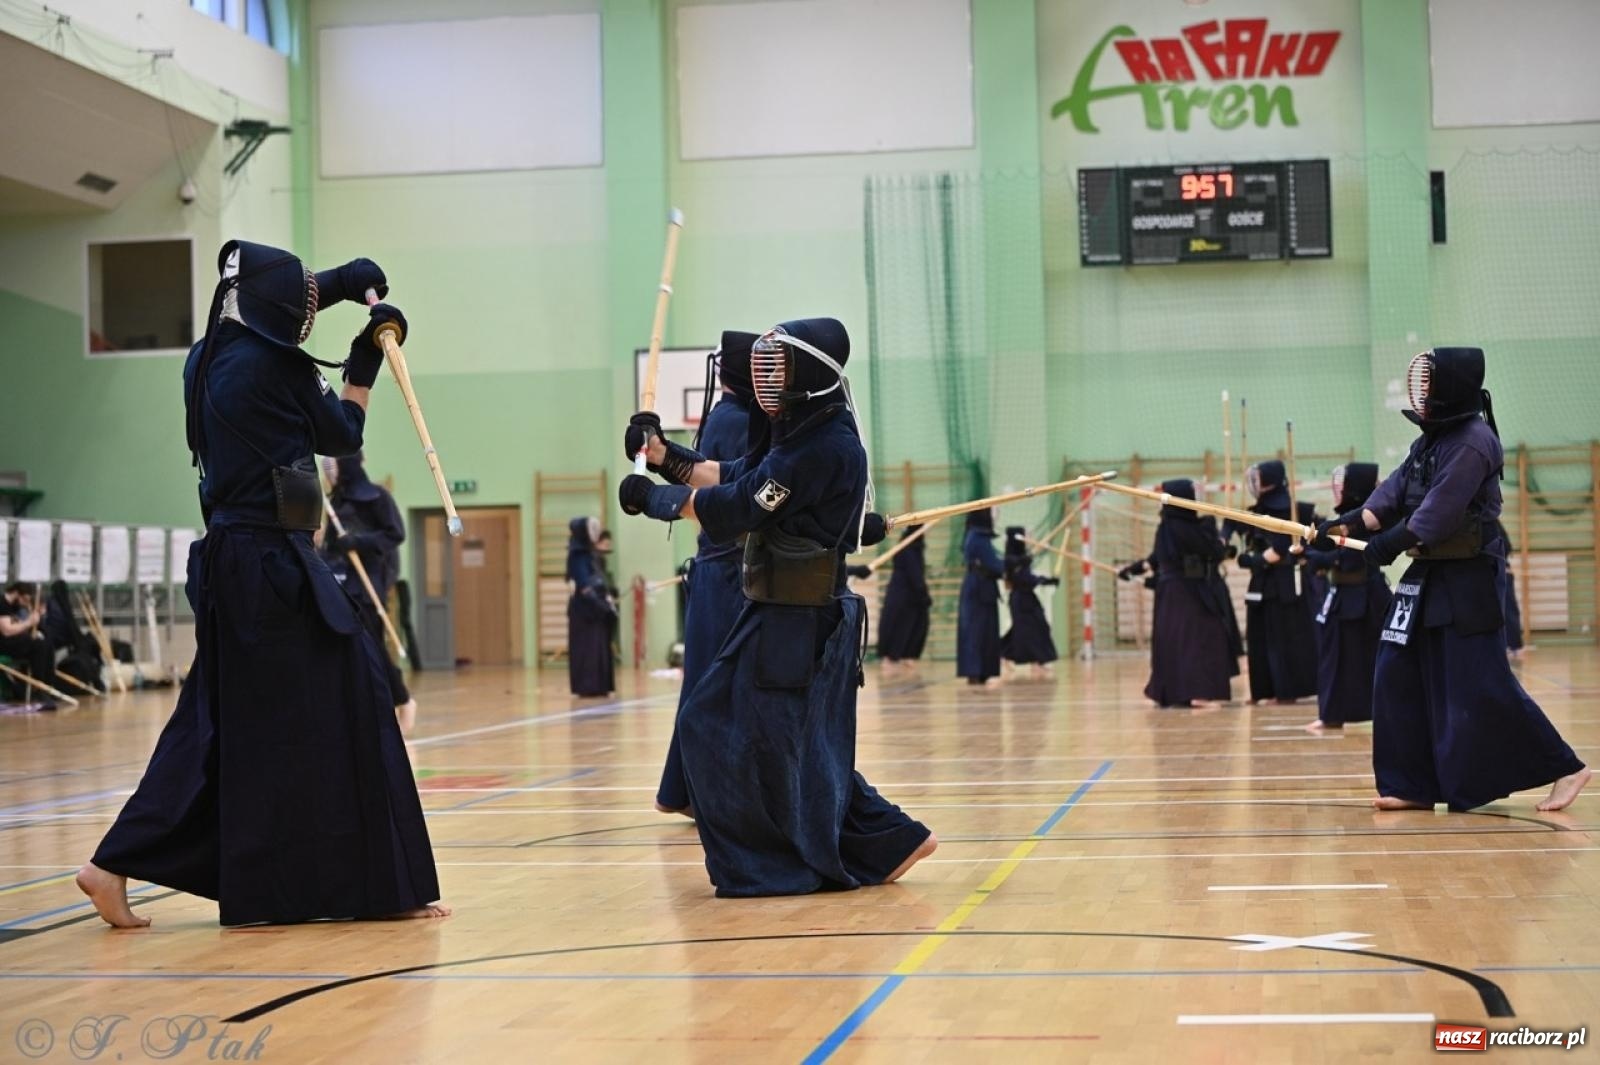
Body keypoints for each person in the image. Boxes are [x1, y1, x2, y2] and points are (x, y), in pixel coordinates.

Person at [77, 239, 447, 927]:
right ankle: (373, 885)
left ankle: (111, 865)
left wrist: (340, 282)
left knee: (217, 723)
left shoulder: (207, 353)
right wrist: (364, 360)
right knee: (357, 692)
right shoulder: (277, 367)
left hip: (232, 562)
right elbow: (341, 433)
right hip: (272, 568)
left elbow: (274, 307)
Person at [618, 317, 935, 896]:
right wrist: (663, 455)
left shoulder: (823, 446)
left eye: (779, 367)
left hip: (802, 619)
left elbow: (740, 505)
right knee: (799, 743)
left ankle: (771, 866)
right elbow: (734, 472)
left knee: (717, 726)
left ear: (809, 374)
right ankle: (890, 840)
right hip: (784, 611)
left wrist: (659, 500)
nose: (767, 378)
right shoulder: (800, 434)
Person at [1320, 347, 1589, 811]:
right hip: (1426, 573)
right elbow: (1391, 494)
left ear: (1450, 388)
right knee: (1395, 671)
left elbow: (1436, 516)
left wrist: (1385, 547)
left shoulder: (1472, 440)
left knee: (1480, 681)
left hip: (1467, 576)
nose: (1421, 391)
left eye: (1429, 383)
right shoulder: (1429, 440)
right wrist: (1346, 525)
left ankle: (1566, 767)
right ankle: (1411, 784)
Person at [655, 333, 759, 816]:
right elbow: (732, 488)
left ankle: (688, 792)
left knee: (706, 681)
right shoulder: (738, 421)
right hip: (728, 574)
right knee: (721, 685)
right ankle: (706, 793)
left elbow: (707, 472)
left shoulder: (725, 417)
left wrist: (663, 455)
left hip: (717, 571)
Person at [1120, 479, 1238, 708]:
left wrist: (1132, 569)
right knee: (1203, 637)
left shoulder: (1165, 526)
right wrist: (1223, 534)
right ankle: (1199, 693)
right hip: (1189, 592)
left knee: (1174, 641)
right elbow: (1213, 552)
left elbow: (1154, 559)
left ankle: (1173, 693)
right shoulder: (1189, 527)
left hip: (1169, 593)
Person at [323, 451, 416, 733]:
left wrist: (358, 542)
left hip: (366, 587)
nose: (329, 471)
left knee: (371, 648)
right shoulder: (334, 503)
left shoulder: (377, 497)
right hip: (338, 584)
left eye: (333, 464)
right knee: (343, 650)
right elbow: (329, 546)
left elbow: (395, 534)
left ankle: (401, 698)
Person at [1299, 464, 1391, 732]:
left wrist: (1312, 555)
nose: (1338, 489)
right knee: (1335, 659)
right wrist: (1309, 549)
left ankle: (1381, 712)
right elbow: (1332, 551)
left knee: (1374, 661)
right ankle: (1332, 713)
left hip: (1366, 600)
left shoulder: (1369, 520)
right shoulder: (1347, 521)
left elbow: (1348, 559)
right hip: (1343, 598)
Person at [1226, 460, 1319, 703]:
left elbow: (1279, 551)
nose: (1254, 484)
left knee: (1284, 638)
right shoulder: (1255, 512)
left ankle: (1286, 690)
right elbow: (1233, 530)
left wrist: (1253, 561)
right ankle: (1263, 690)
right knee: (1258, 637)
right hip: (1261, 584)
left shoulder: (1294, 511)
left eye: (1258, 479)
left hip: (1287, 583)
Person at [1000, 526, 1060, 677]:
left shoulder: (1021, 558)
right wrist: (1043, 580)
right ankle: (1035, 660)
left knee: (1031, 629)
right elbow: (1024, 577)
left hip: (1026, 598)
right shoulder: (1011, 559)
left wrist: (1047, 580)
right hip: (1020, 600)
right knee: (1030, 630)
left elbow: (1028, 574)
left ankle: (1008, 655)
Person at [566, 516, 616, 698]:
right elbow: (584, 585)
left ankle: (600, 685)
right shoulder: (577, 555)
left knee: (599, 647)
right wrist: (600, 604)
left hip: (597, 610)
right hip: (584, 611)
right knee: (587, 648)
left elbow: (599, 579)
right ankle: (588, 686)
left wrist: (607, 598)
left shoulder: (590, 554)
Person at [875, 526, 933, 674]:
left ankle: (906, 656)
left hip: (909, 596)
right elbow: (915, 576)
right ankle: (891, 658)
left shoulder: (911, 548)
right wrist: (924, 594)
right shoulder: (908, 550)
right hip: (904, 596)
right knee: (899, 626)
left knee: (917, 625)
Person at [957, 507, 1004, 686]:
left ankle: (981, 671)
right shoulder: (977, 537)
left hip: (981, 587)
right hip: (979, 589)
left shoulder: (975, 535)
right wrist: (1012, 564)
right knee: (976, 631)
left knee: (983, 631)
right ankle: (975, 671)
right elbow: (994, 564)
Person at [0, 584, 58, 708]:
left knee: (46, 643)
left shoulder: (13, 606)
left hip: (13, 641)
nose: (24, 604)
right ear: (16, 594)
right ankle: (38, 689)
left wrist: (32, 622)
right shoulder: (2, 604)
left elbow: (16, 624)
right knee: (38, 645)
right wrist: (28, 623)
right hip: (4, 643)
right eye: (24, 600)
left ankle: (47, 686)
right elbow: (7, 631)